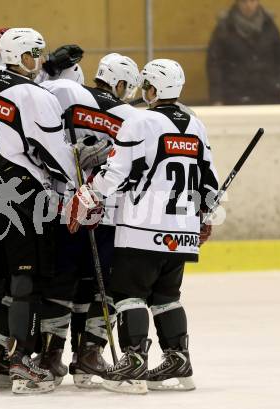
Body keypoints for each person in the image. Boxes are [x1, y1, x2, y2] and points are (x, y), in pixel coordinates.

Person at [66, 59, 218, 394]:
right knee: (166, 296)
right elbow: (210, 180)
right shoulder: (195, 123)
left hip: (143, 229)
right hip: (182, 230)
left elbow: (118, 171)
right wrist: (204, 215)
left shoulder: (141, 120)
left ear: (153, 89)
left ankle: (133, 363)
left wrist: (88, 194)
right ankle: (179, 359)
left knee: (129, 294)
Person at [0, 27, 78, 394]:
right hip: (22, 193)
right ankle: (21, 362)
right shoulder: (34, 95)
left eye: (39, 53)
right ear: (16, 56)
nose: (37, 61)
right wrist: (74, 189)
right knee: (26, 278)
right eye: (31, 54)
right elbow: (56, 156)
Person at [36, 53, 140, 388]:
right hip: (106, 209)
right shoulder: (130, 115)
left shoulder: (67, 91)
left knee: (61, 279)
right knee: (101, 284)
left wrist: (48, 69)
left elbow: (32, 102)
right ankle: (89, 355)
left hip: (64, 204)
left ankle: (50, 356)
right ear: (121, 83)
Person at [207, 0, 280, 105]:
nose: (249, 5)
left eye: (252, 1)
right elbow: (215, 64)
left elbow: (279, 59)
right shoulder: (224, 27)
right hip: (234, 95)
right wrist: (216, 97)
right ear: (238, 3)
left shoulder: (269, 25)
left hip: (268, 93)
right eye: (244, 2)